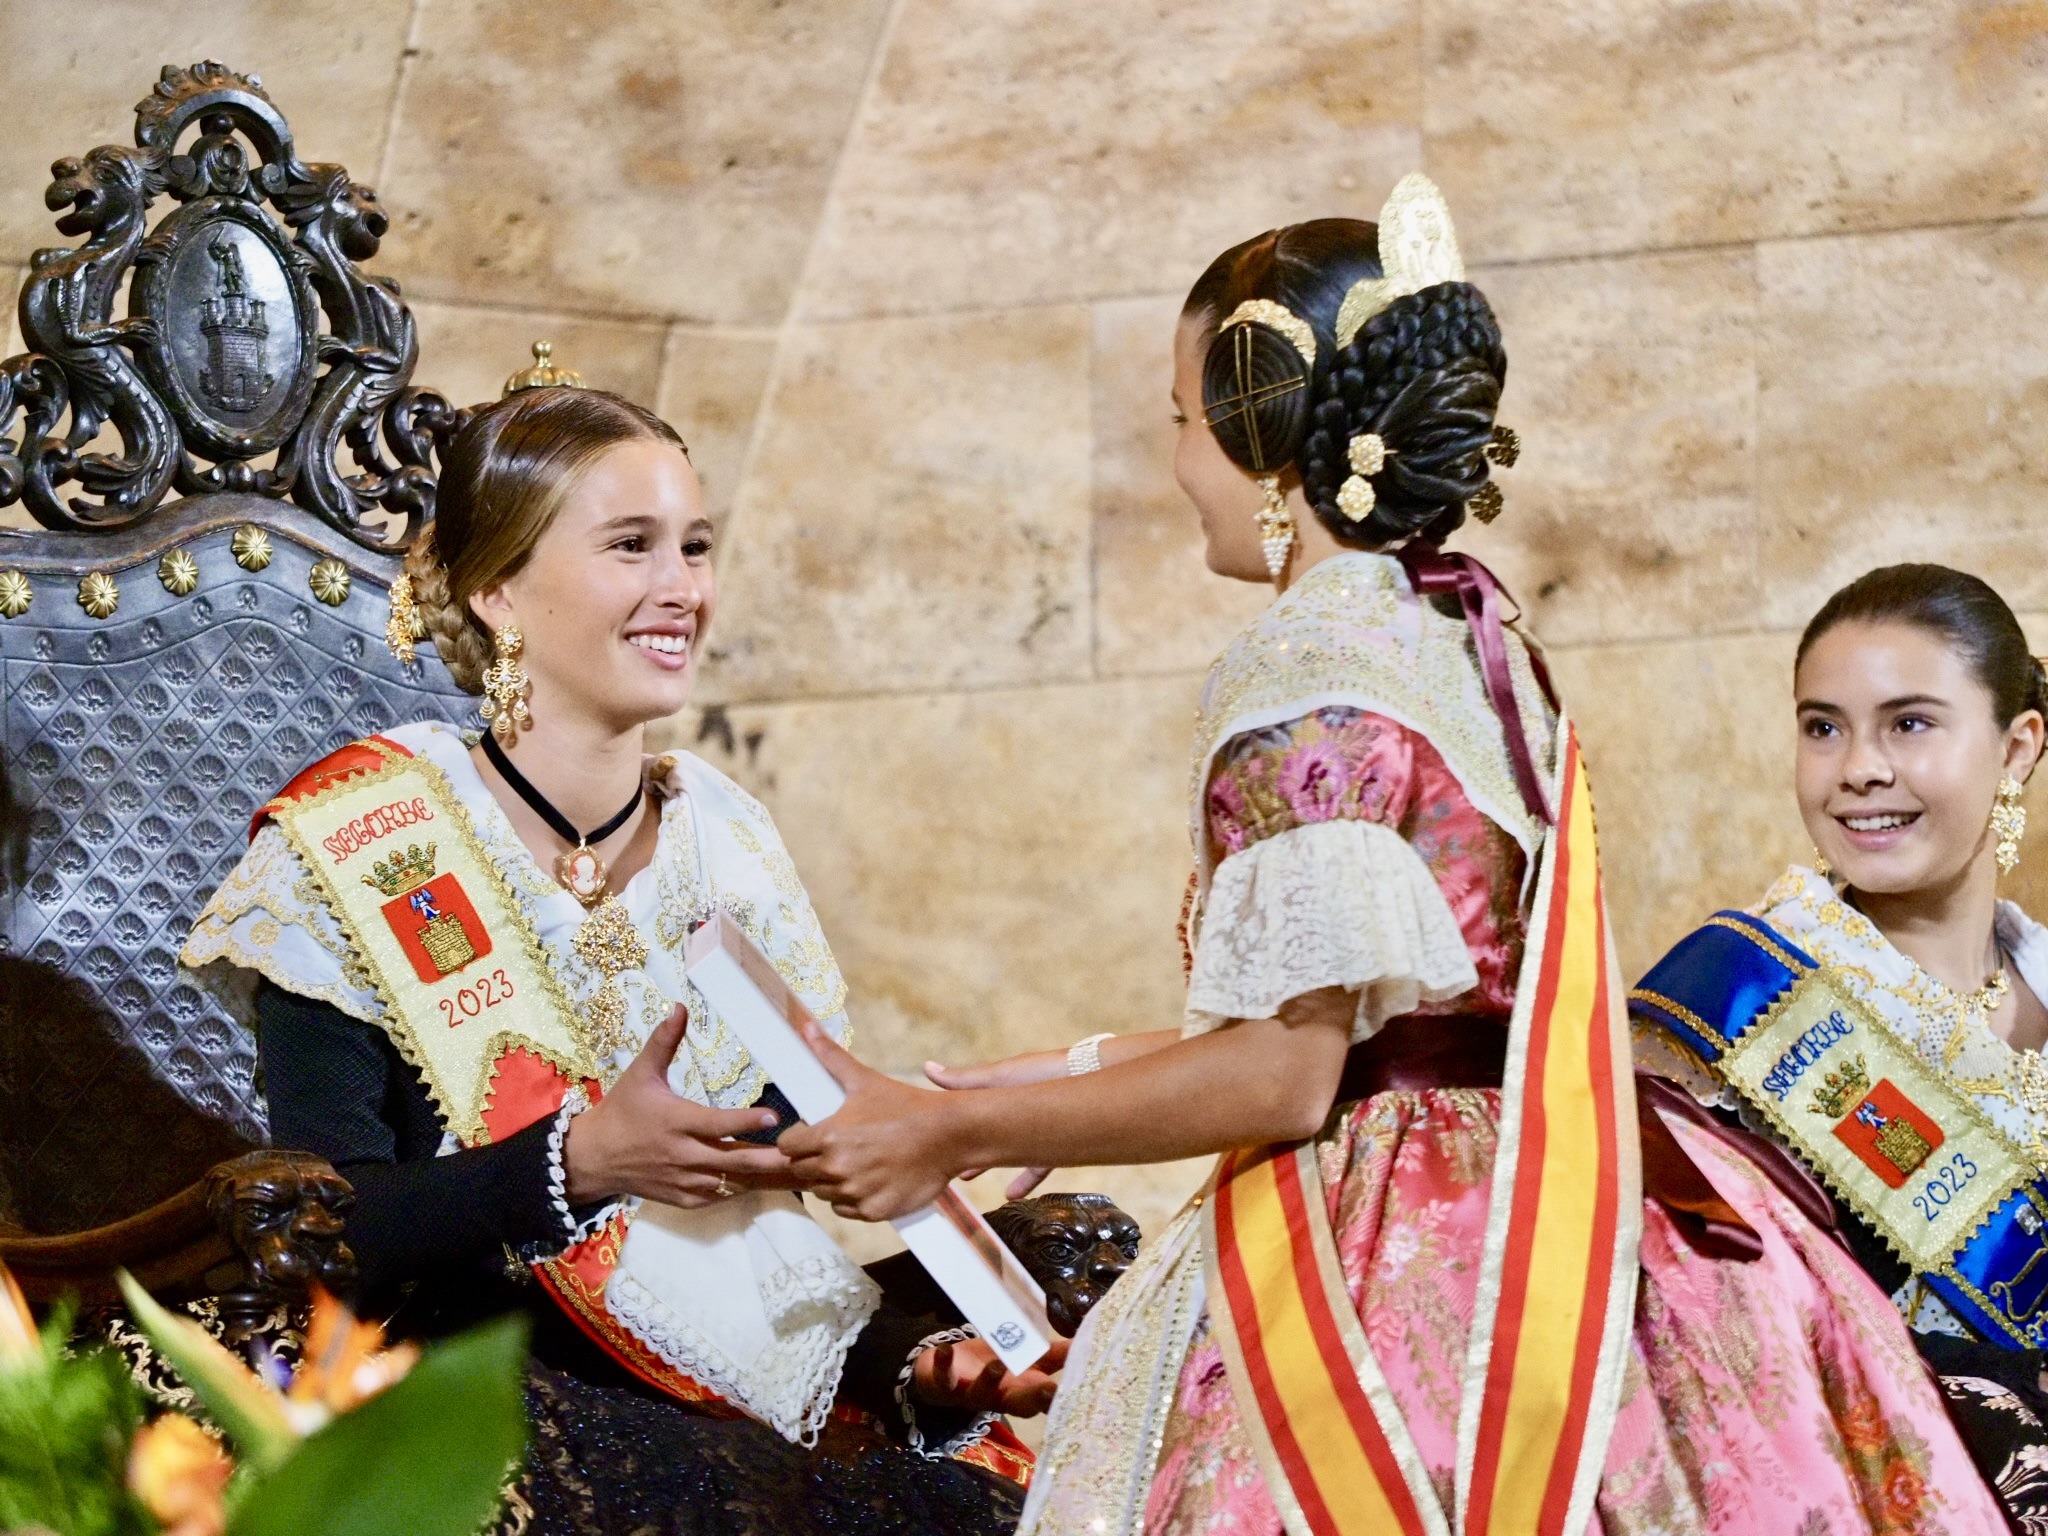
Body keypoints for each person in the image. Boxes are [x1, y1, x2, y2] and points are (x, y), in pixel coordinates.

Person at [775, 178, 2009, 1535]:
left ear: (1258, 430)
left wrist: (955, 1128)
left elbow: (1293, 1075)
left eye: (1185, 423)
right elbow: (1408, 1017)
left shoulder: (1303, 661)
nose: (1179, 461)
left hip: (1396, 1244)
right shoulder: (1466, 637)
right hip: (1557, 1199)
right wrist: (1070, 1070)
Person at [181, 380, 1055, 1535]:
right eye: (631, 547)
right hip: (481, 1398)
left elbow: (761, 1220)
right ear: (499, 590)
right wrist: (576, 1163)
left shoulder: (727, 838)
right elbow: (330, 1234)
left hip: (719, 1391)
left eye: (693, 547)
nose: (681, 588)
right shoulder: (361, 847)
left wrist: (922, 1353)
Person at [1633, 563, 2048, 1531]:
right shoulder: (1722, 1009)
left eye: (1908, 722)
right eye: (1822, 728)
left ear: (2015, 747)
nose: (1856, 767)